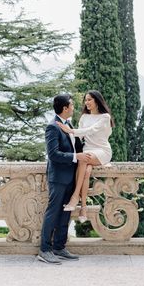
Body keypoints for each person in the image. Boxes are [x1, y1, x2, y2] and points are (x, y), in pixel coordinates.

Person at [38, 94, 92, 264]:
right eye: (72, 105)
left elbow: (77, 146)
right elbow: (53, 155)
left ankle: (59, 247)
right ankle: (45, 250)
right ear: (65, 108)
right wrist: (77, 156)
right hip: (59, 177)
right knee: (53, 213)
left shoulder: (68, 125)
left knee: (65, 213)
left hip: (72, 176)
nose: (74, 107)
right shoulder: (52, 127)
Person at [56, 90, 114, 223]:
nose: (86, 102)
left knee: (83, 158)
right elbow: (80, 137)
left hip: (102, 151)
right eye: (85, 100)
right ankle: (83, 208)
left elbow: (91, 130)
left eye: (89, 100)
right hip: (88, 150)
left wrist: (70, 130)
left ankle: (75, 197)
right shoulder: (84, 117)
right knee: (86, 170)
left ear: (97, 101)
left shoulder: (105, 117)